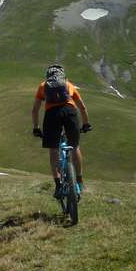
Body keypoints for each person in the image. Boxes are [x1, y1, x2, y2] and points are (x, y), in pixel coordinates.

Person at [31, 64, 92, 196]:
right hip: (70, 112)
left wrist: (36, 128)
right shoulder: (68, 85)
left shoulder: (43, 86)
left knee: (53, 150)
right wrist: (86, 124)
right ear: (62, 75)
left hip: (52, 115)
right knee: (75, 147)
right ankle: (80, 181)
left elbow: (35, 109)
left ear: (48, 76)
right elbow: (83, 107)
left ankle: (58, 184)